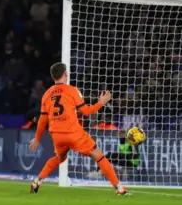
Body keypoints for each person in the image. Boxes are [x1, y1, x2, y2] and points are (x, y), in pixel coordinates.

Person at [28, 62, 129, 196]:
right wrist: (101, 103)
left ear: (53, 76)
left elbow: (42, 120)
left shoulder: (46, 94)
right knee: (99, 156)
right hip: (73, 133)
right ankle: (119, 189)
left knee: (60, 158)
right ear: (65, 74)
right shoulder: (72, 90)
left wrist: (37, 139)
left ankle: (37, 181)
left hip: (57, 135)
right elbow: (86, 112)